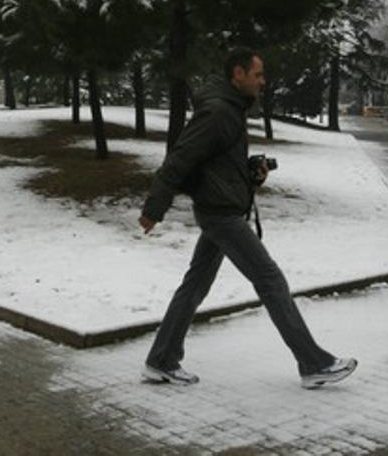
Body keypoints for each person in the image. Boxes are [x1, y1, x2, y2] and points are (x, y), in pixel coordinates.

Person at [138, 47, 357, 389]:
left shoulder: (230, 110)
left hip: (220, 210)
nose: (263, 81)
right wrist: (154, 209)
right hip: (221, 215)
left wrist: (249, 171)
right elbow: (179, 159)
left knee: (195, 286)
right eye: (257, 74)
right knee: (270, 281)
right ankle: (314, 363)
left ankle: (161, 359)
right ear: (237, 74)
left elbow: (216, 163)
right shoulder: (217, 112)